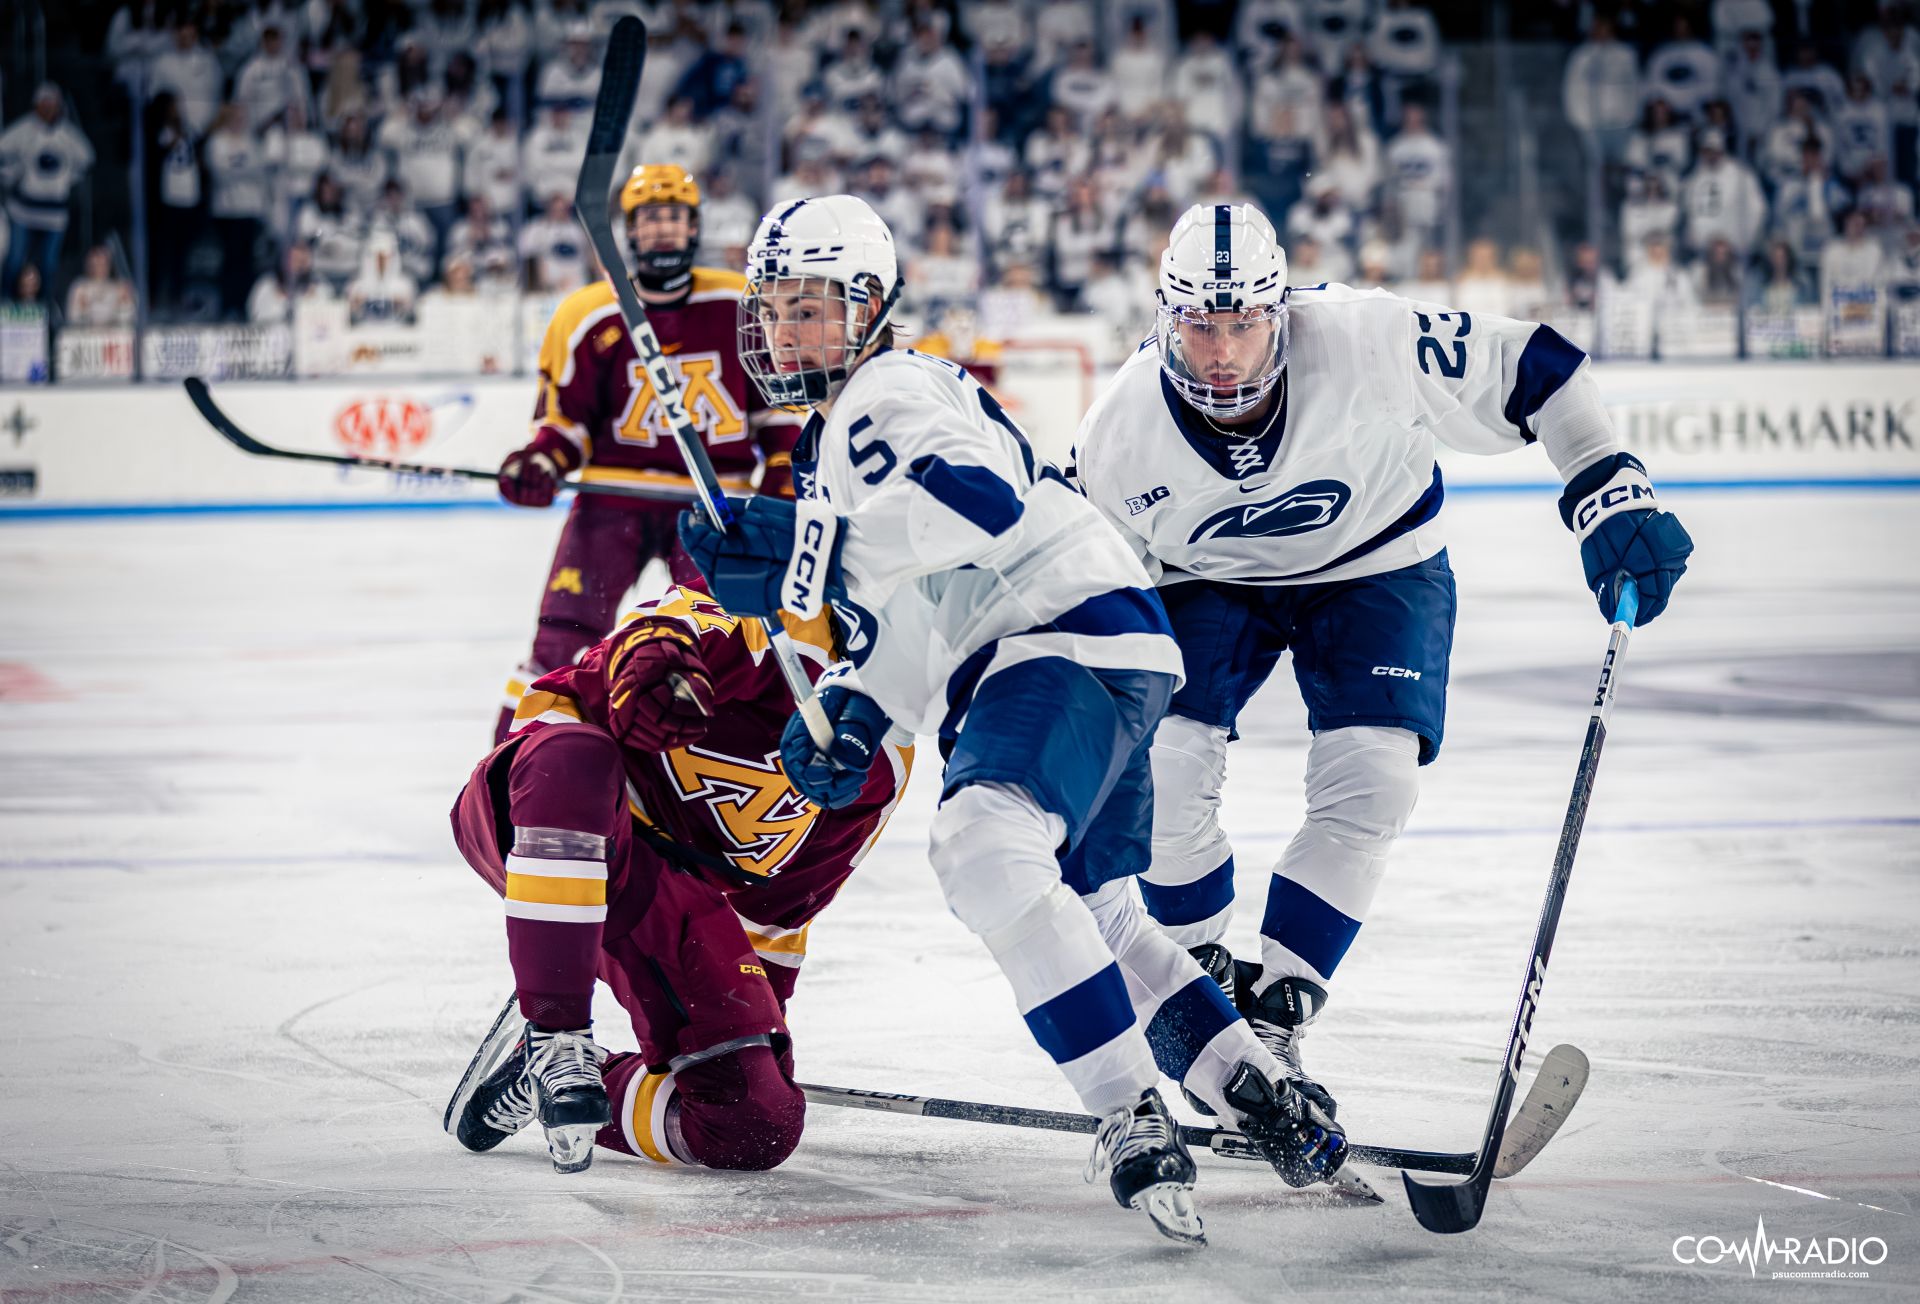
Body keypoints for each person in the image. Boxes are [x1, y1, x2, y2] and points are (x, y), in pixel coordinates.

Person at [678, 194, 1348, 1249]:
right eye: (772, 308)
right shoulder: (841, 438)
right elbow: (917, 602)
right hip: (1088, 646)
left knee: (980, 841)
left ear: (867, 305)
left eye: (808, 307)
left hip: (1057, 633)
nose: (781, 331)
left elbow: (982, 503)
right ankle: (1262, 1090)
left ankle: (1129, 1111)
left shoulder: (884, 391)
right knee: (1112, 921)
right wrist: (860, 704)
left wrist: (813, 546)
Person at [1065, 203, 1693, 1136]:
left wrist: (1605, 479)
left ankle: (1276, 1016)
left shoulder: (1371, 337)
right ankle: (1201, 1001)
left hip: (1378, 559)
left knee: (1374, 779)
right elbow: (1072, 584)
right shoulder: (1117, 436)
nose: (1224, 353)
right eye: (1201, 326)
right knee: (1164, 768)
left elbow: (1541, 367)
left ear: (1283, 311)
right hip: (1205, 577)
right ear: (1165, 319)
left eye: (1244, 323)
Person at [445, 586, 910, 1173]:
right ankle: (554, 1034)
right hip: (545, 817)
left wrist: (745, 1048)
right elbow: (561, 709)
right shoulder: (761, 619)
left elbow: (769, 916)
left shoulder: (882, 769)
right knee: (574, 755)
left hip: (664, 903)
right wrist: (650, 667)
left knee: (754, 1124)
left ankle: (542, 1080)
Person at [492, 165, 804, 742]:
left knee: (722, 642)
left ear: (694, 227)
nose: (663, 230)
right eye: (650, 218)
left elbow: (775, 413)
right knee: (562, 639)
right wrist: (540, 463)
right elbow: (567, 425)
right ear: (628, 232)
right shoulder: (586, 313)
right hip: (614, 500)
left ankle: (709, 785)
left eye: (675, 217)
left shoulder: (740, 303)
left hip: (717, 506)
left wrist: (783, 479)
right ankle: (517, 765)